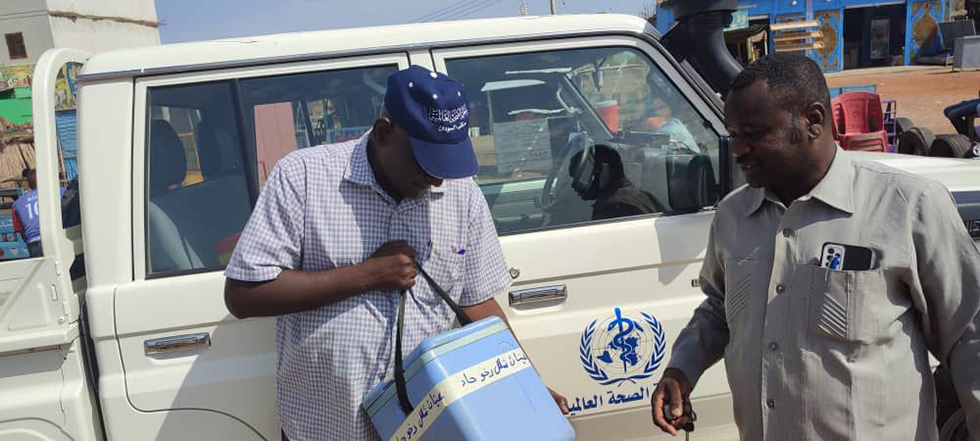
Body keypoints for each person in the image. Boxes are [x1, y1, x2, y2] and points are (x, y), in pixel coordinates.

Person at [224, 66, 567, 441]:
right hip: (327, 430)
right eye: (425, 162)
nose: (437, 179)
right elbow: (243, 294)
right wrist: (368, 275)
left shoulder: (462, 195)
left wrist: (526, 384)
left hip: (429, 428)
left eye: (446, 163)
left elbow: (478, 305)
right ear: (383, 132)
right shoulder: (303, 177)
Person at [650, 53, 980, 440]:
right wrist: (682, 367)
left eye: (754, 134)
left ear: (813, 121)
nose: (739, 150)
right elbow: (719, 308)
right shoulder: (732, 216)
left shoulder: (907, 206)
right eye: (734, 135)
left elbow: (968, 334)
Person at [568, 144, 664, 220]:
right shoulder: (645, 196)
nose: (573, 185)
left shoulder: (612, 208)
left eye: (581, 176)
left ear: (602, 172)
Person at [12, 168, 65, 257]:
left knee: (42, 270)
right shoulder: (60, 192)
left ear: (29, 183)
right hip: (55, 238)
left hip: (33, 243)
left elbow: (19, 230)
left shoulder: (17, 204)